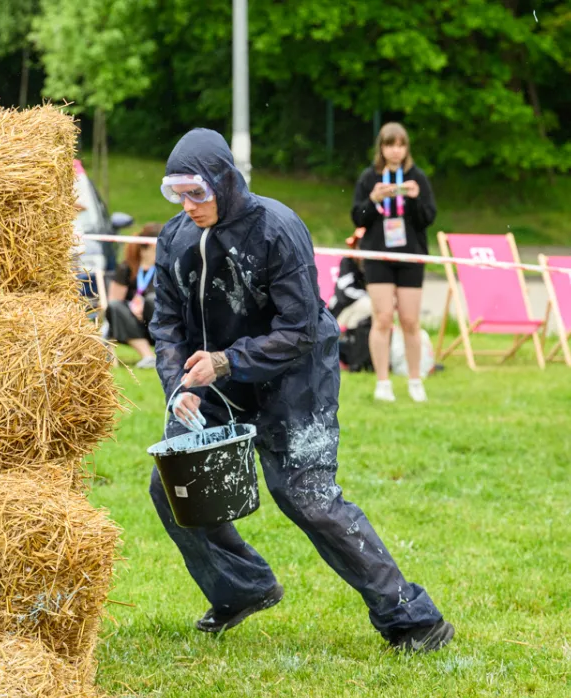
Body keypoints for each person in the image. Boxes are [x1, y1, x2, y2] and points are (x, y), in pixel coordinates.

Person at [148, 128, 453, 653]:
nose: (188, 205)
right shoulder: (175, 239)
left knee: (306, 497)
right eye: (178, 193)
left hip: (295, 378)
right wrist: (177, 384)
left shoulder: (278, 229)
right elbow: (166, 323)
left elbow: (301, 330)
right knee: (173, 484)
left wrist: (226, 361)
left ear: (224, 182)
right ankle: (241, 588)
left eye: (198, 192)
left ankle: (412, 617)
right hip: (214, 383)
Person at [352, 122, 437, 402]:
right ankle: (383, 383)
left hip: (410, 256)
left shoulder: (417, 177)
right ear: (382, 147)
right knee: (383, 318)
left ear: (406, 147)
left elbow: (428, 217)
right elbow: (357, 217)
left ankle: (415, 380)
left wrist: (413, 198)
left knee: (410, 321)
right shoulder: (369, 177)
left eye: (400, 144)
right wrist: (374, 200)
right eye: (390, 144)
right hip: (379, 257)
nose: (395, 150)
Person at [106, 222, 162, 368]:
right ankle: (148, 357)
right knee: (114, 306)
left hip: (157, 320)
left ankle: (167, 356)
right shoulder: (126, 267)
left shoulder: (166, 268)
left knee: (152, 300)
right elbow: (113, 302)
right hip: (130, 325)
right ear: (150, 246)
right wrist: (132, 309)